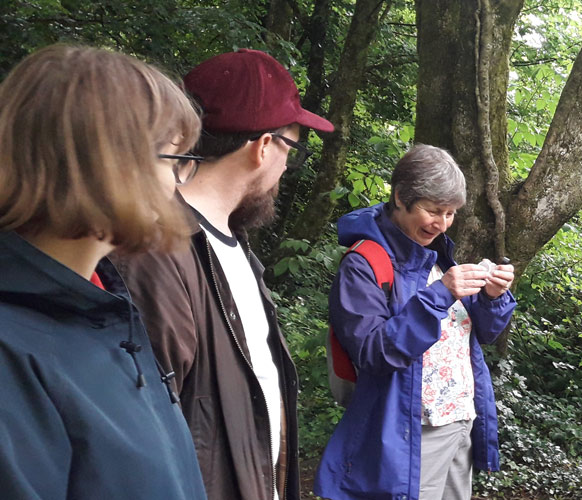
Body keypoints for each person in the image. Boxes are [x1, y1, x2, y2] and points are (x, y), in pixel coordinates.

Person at [112, 48, 334, 500]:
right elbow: (141, 440)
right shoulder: (156, 252)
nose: (288, 165)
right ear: (263, 147)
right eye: (291, 146)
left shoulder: (230, 247)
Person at [0, 45, 207, 499]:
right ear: (107, 164)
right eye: (173, 160)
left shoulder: (106, 312)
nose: (177, 183)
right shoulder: (13, 351)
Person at [315, 144, 517, 500]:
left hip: (460, 421)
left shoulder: (437, 258)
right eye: (433, 210)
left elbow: (482, 334)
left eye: (451, 213)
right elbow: (373, 352)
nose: (442, 224)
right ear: (400, 197)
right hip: (413, 429)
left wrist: (493, 297)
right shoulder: (364, 264)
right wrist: (440, 295)